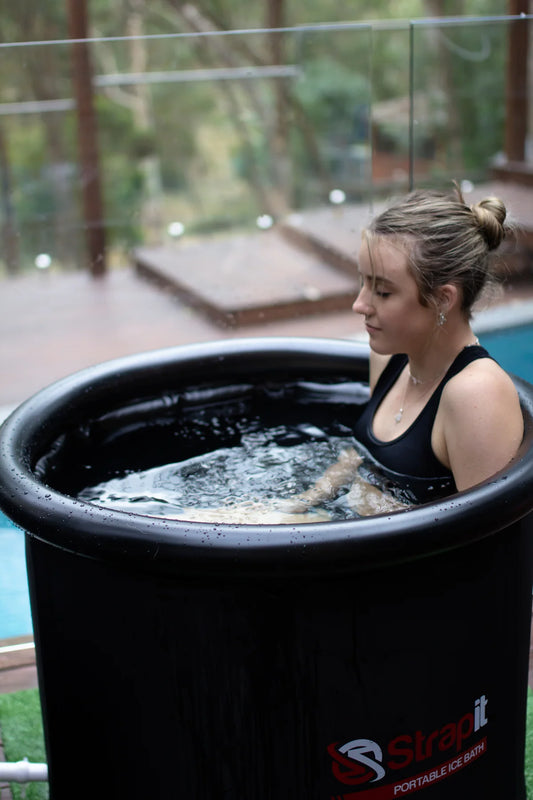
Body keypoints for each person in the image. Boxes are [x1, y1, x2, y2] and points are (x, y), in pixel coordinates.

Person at [287, 185, 524, 515]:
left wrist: (345, 509)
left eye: (382, 292)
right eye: (364, 282)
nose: (359, 305)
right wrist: (295, 508)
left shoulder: (476, 394)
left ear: (442, 298)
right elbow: (359, 457)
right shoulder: (389, 356)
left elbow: (483, 532)